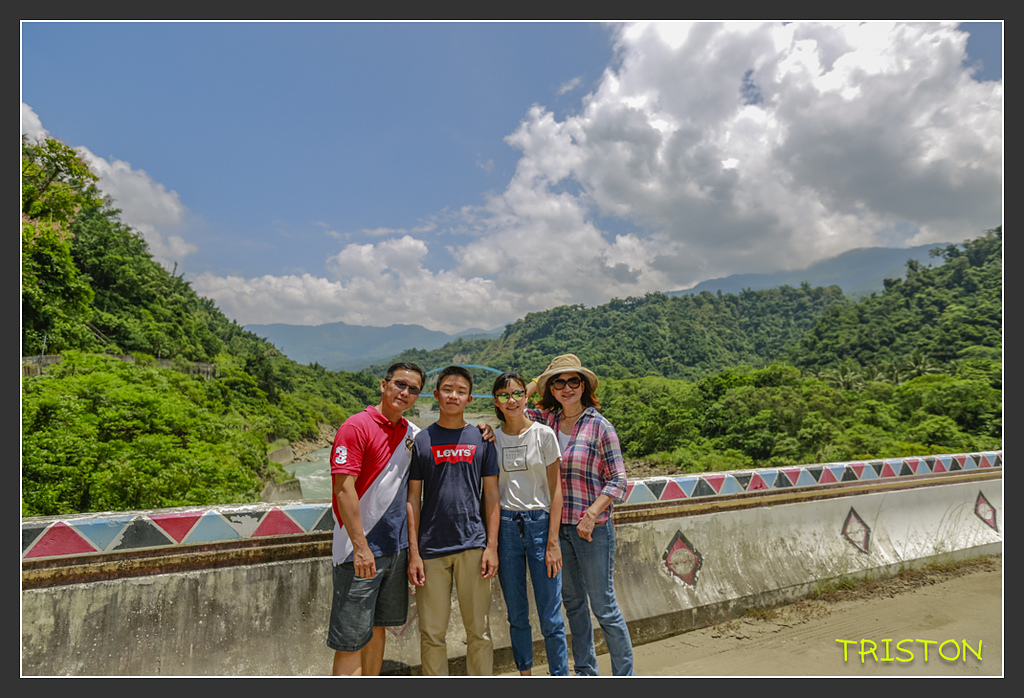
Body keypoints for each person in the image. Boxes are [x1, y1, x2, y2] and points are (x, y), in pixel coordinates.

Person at [525, 354, 635, 676]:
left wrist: (592, 513)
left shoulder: (600, 426)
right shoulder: (547, 421)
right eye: (559, 382)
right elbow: (512, 401)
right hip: (558, 530)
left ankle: (624, 676)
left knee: (604, 607)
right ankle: (587, 673)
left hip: (592, 530)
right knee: (573, 604)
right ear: (551, 388)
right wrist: (541, 377)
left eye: (574, 381)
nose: (567, 387)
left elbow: (618, 480)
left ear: (583, 386)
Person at [326, 361, 425, 676]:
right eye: (400, 384)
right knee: (351, 640)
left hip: (395, 552)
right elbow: (344, 490)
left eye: (413, 389)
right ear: (384, 385)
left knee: (377, 628)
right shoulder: (356, 427)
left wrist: (484, 430)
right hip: (360, 552)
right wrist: (360, 545)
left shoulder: (412, 434)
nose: (405, 392)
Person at [407, 365, 501, 676]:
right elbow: (413, 500)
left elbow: (491, 497)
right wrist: (414, 553)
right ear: (436, 395)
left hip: (473, 546)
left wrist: (492, 547)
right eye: (447, 389)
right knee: (432, 634)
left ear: (470, 399)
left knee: (479, 631)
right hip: (431, 549)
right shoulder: (422, 441)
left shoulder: (482, 438)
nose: (453, 395)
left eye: (461, 391)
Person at [491, 371, 569, 676]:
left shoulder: (544, 435)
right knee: (517, 614)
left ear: (527, 397)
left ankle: (559, 675)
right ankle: (526, 674)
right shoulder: (491, 439)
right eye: (503, 395)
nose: (511, 400)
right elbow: (492, 493)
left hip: (540, 525)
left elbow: (556, 491)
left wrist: (552, 542)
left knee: (551, 615)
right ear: (496, 401)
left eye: (517, 394)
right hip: (507, 530)